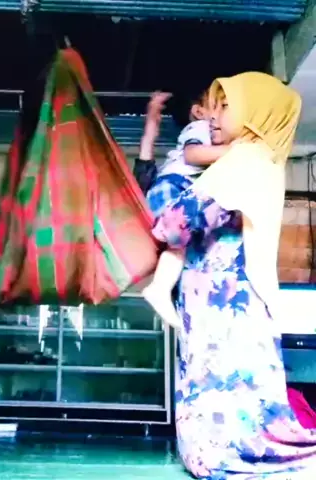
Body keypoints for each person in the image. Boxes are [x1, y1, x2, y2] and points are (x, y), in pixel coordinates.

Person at [152, 71, 316, 479]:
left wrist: (159, 223)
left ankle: (237, 458)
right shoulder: (260, 160)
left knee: (224, 398)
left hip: (225, 303)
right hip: (228, 299)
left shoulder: (246, 159)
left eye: (226, 107)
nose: (214, 115)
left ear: (255, 113)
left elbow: (177, 222)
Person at [134, 89, 231, 328]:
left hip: (163, 193)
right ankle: (160, 288)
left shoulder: (201, 130)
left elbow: (146, 154)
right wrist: (240, 149)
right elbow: (192, 155)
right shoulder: (200, 128)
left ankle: (161, 287)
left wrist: (153, 113)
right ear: (198, 112)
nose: (220, 115)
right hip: (173, 189)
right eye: (218, 106)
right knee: (180, 244)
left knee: (178, 247)